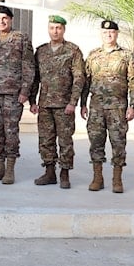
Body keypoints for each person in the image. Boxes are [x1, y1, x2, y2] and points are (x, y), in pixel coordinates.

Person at [80, 20, 134, 193]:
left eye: (112, 32)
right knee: (96, 142)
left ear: (117, 34)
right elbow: (86, 81)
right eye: (105, 32)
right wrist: (83, 103)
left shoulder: (126, 55)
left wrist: (133, 104)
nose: (109, 35)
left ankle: (117, 179)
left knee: (118, 143)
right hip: (96, 106)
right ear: (102, 34)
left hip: (118, 107)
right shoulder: (93, 55)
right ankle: (97, 178)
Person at [30, 14, 85, 189]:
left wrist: (73, 102)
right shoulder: (41, 51)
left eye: (59, 28)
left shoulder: (73, 51)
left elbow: (79, 78)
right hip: (45, 104)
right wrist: (32, 100)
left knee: (65, 141)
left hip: (64, 105)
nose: (55, 31)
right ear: (48, 29)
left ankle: (65, 173)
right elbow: (35, 78)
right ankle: (49, 172)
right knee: (46, 139)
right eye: (52, 28)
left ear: (64, 30)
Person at [0, 4, 35, 185]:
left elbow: (29, 66)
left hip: (13, 94)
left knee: (11, 131)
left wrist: (25, 91)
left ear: (11, 19)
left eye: (4, 18)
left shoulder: (21, 39)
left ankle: (10, 169)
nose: (1, 21)